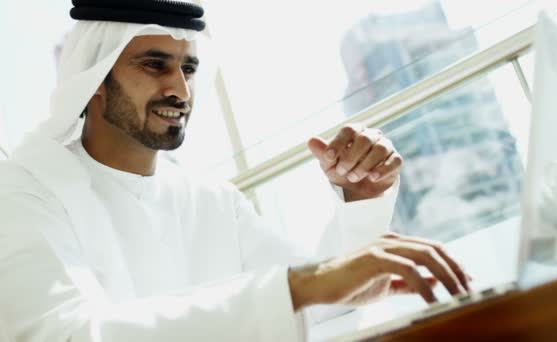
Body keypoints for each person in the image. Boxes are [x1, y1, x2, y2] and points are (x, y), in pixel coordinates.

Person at [0, 1, 470, 341]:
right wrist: (299, 287)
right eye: (154, 64)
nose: (180, 90)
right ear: (94, 80)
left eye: (189, 68)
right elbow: (60, 334)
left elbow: (323, 305)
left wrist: (361, 202)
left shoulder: (211, 199)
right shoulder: (25, 189)